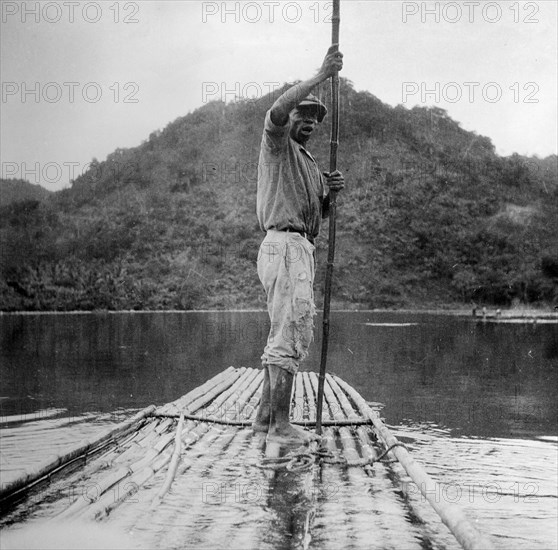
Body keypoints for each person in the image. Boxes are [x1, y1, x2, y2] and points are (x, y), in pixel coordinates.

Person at [253, 45, 345, 444]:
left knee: (283, 332)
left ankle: (263, 420)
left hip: (298, 246)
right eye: (301, 114)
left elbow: (314, 219)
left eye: (313, 117)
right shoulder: (277, 144)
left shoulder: (307, 162)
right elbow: (277, 108)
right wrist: (321, 76)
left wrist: (330, 197)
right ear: (288, 119)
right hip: (284, 247)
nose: (307, 120)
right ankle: (279, 425)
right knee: (289, 332)